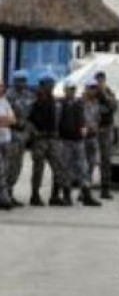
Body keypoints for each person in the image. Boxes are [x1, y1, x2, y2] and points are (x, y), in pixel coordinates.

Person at [28, 74, 68, 207]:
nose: (52, 87)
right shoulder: (35, 101)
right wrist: (35, 133)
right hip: (40, 139)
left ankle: (55, 196)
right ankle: (35, 195)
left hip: (53, 139)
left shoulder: (53, 100)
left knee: (59, 167)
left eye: (52, 84)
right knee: (38, 169)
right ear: (43, 85)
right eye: (49, 84)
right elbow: (28, 120)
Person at [58, 81, 100, 207]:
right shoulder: (61, 104)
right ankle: (66, 196)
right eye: (69, 89)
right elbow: (57, 121)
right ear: (65, 90)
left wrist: (84, 128)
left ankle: (86, 195)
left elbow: (83, 119)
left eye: (73, 89)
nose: (72, 91)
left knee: (83, 168)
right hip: (65, 140)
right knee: (66, 168)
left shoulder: (78, 104)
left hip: (78, 140)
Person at [7, 70, 35, 205]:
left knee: (17, 166)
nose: (22, 83)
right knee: (8, 165)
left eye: (24, 80)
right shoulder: (8, 96)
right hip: (10, 136)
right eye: (19, 81)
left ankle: (10, 192)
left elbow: (32, 114)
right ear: (14, 82)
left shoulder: (29, 95)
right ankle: (4, 194)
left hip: (23, 137)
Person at [94, 70, 117, 199]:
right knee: (89, 159)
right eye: (98, 80)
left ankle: (105, 188)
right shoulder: (91, 92)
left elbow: (113, 106)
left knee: (106, 159)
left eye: (102, 80)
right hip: (93, 129)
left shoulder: (109, 92)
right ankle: (84, 189)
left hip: (106, 128)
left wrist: (104, 94)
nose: (100, 83)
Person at [82, 79, 102, 198]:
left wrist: (96, 127)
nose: (93, 90)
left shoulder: (96, 103)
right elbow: (81, 118)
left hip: (93, 137)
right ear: (86, 89)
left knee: (91, 164)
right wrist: (88, 126)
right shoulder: (81, 102)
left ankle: (86, 189)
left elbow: (98, 118)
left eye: (94, 88)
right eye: (91, 88)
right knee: (83, 165)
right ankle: (83, 190)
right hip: (84, 136)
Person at [0, 82, 16, 210]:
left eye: (2, 86)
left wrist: (4, 120)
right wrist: (5, 120)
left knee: (6, 168)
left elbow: (13, 120)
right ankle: (4, 198)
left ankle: (5, 196)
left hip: (6, 140)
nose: (1, 88)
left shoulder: (5, 102)